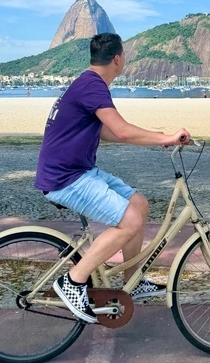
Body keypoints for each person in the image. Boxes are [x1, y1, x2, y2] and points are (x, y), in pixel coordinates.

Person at [35, 33, 191, 323]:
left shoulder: (87, 83)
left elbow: (106, 131)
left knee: (139, 205)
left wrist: (159, 138)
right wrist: (167, 136)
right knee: (129, 221)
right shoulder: (92, 86)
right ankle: (73, 281)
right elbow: (120, 130)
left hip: (78, 170)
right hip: (66, 177)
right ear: (117, 58)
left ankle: (134, 280)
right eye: (124, 57)